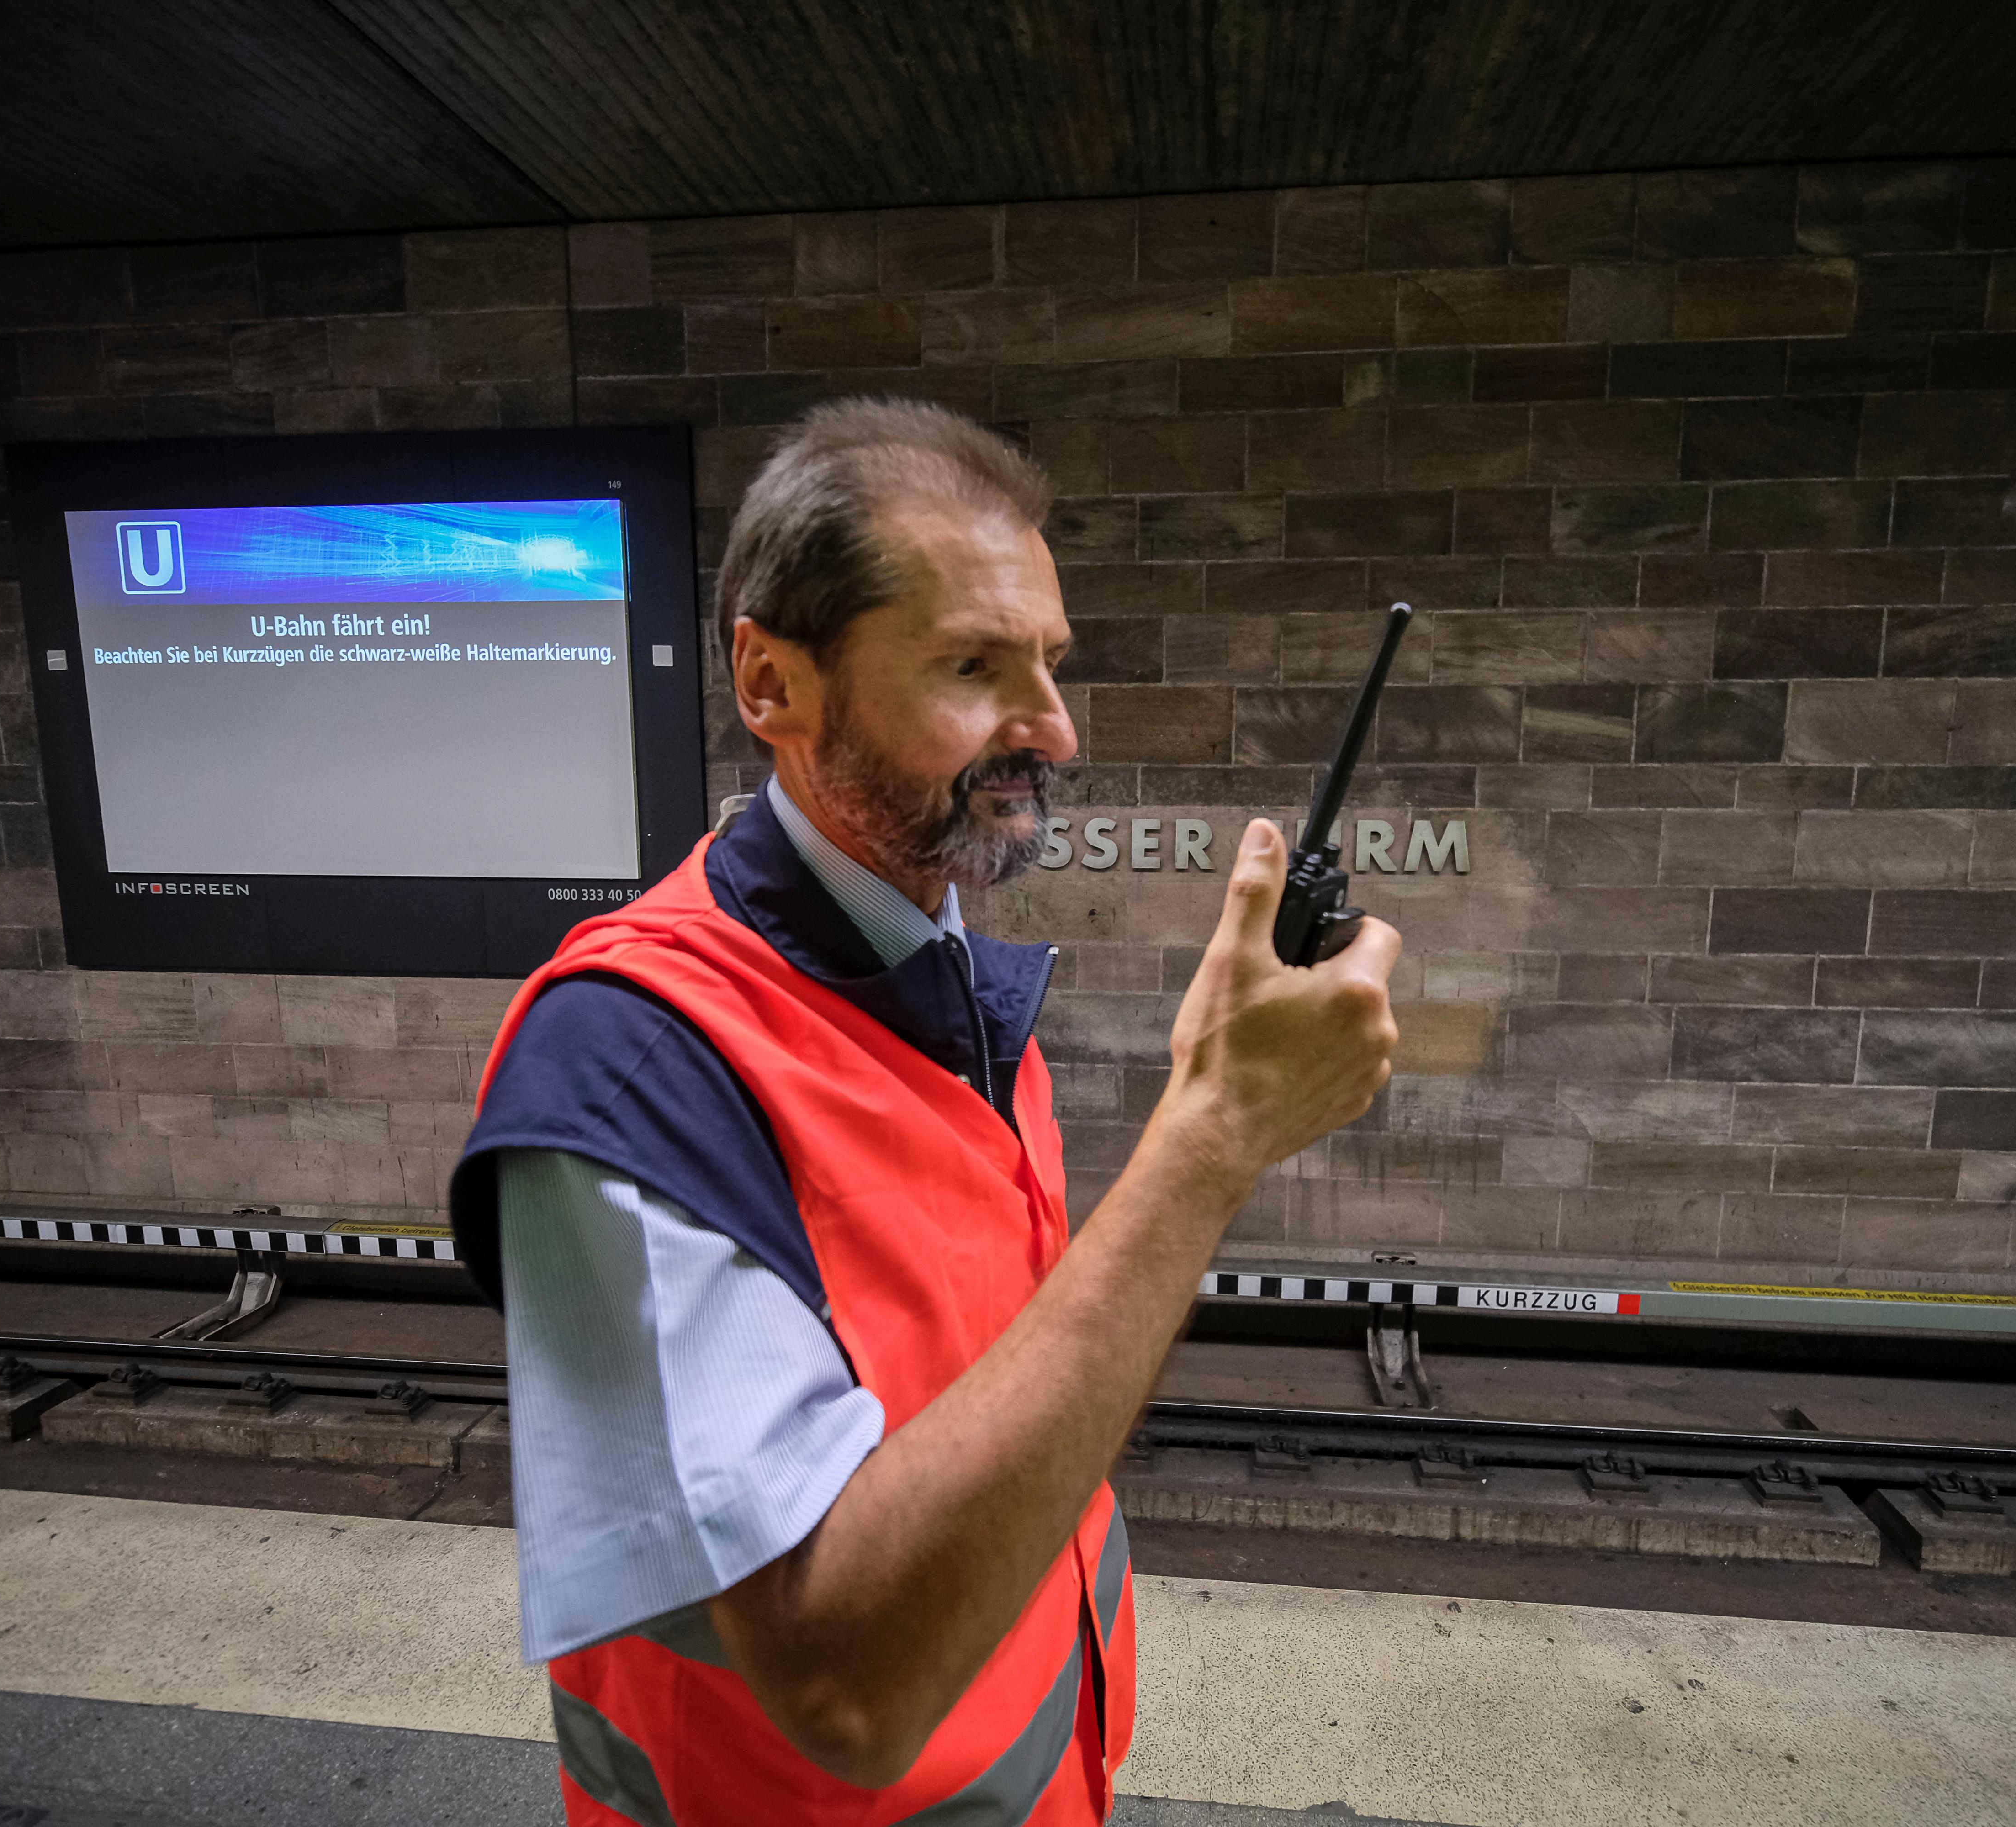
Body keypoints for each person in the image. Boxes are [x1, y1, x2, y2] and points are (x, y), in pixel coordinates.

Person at [449, 397, 1400, 1826]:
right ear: (773, 684)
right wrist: (1214, 1137)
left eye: (1052, 665)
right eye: (973, 667)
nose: (1056, 731)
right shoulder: (634, 1070)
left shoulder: (952, 989)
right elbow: (848, 1689)